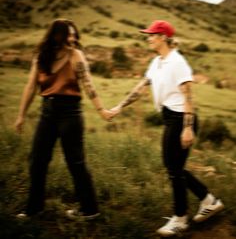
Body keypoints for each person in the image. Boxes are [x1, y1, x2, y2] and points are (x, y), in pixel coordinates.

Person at [110, 20, 224, 237]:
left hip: (181, 117)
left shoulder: (177, 62)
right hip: (170, 117)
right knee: (175, 167)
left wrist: (188, 128)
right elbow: (141, 87)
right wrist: (119, 107)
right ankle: (209, 201)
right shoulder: (157, 62)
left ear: (163, 37)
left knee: (173, 169)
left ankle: (180, 219)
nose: (148, 38)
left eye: (152, 35)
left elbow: (188, 96)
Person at [14, 18, 113, 219]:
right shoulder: (41, 56)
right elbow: (31, 86)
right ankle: (34, 208)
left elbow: (88, 85)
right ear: (55, 35)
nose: (72, 38)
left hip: (70, 113)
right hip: (47, 113)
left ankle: (90, 209)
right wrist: (21, 115)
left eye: (74, 34)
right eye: (68, 34)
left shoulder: (76, 56)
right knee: (37, 160)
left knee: (75, 162)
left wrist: (101, 110)